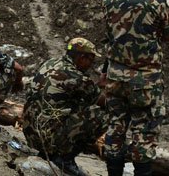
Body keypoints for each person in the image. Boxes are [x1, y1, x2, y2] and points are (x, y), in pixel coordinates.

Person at [103, 0, 169, 176]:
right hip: (146, 79)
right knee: (144, 132)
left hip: (116, 76)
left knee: (115, 127)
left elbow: (108, 32)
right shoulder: (157, 0)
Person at [22, 37, 106, 176]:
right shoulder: (76, 77)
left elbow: (82, 93)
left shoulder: (50, 63)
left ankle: (48, 152)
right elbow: (103, 101)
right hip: (48, 137)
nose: (91, 65)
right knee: (104, 114)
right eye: (90, 60)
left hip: (31, 132)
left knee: (78, 105)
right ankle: (65, 158)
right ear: (81, 57)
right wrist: (108, 86)